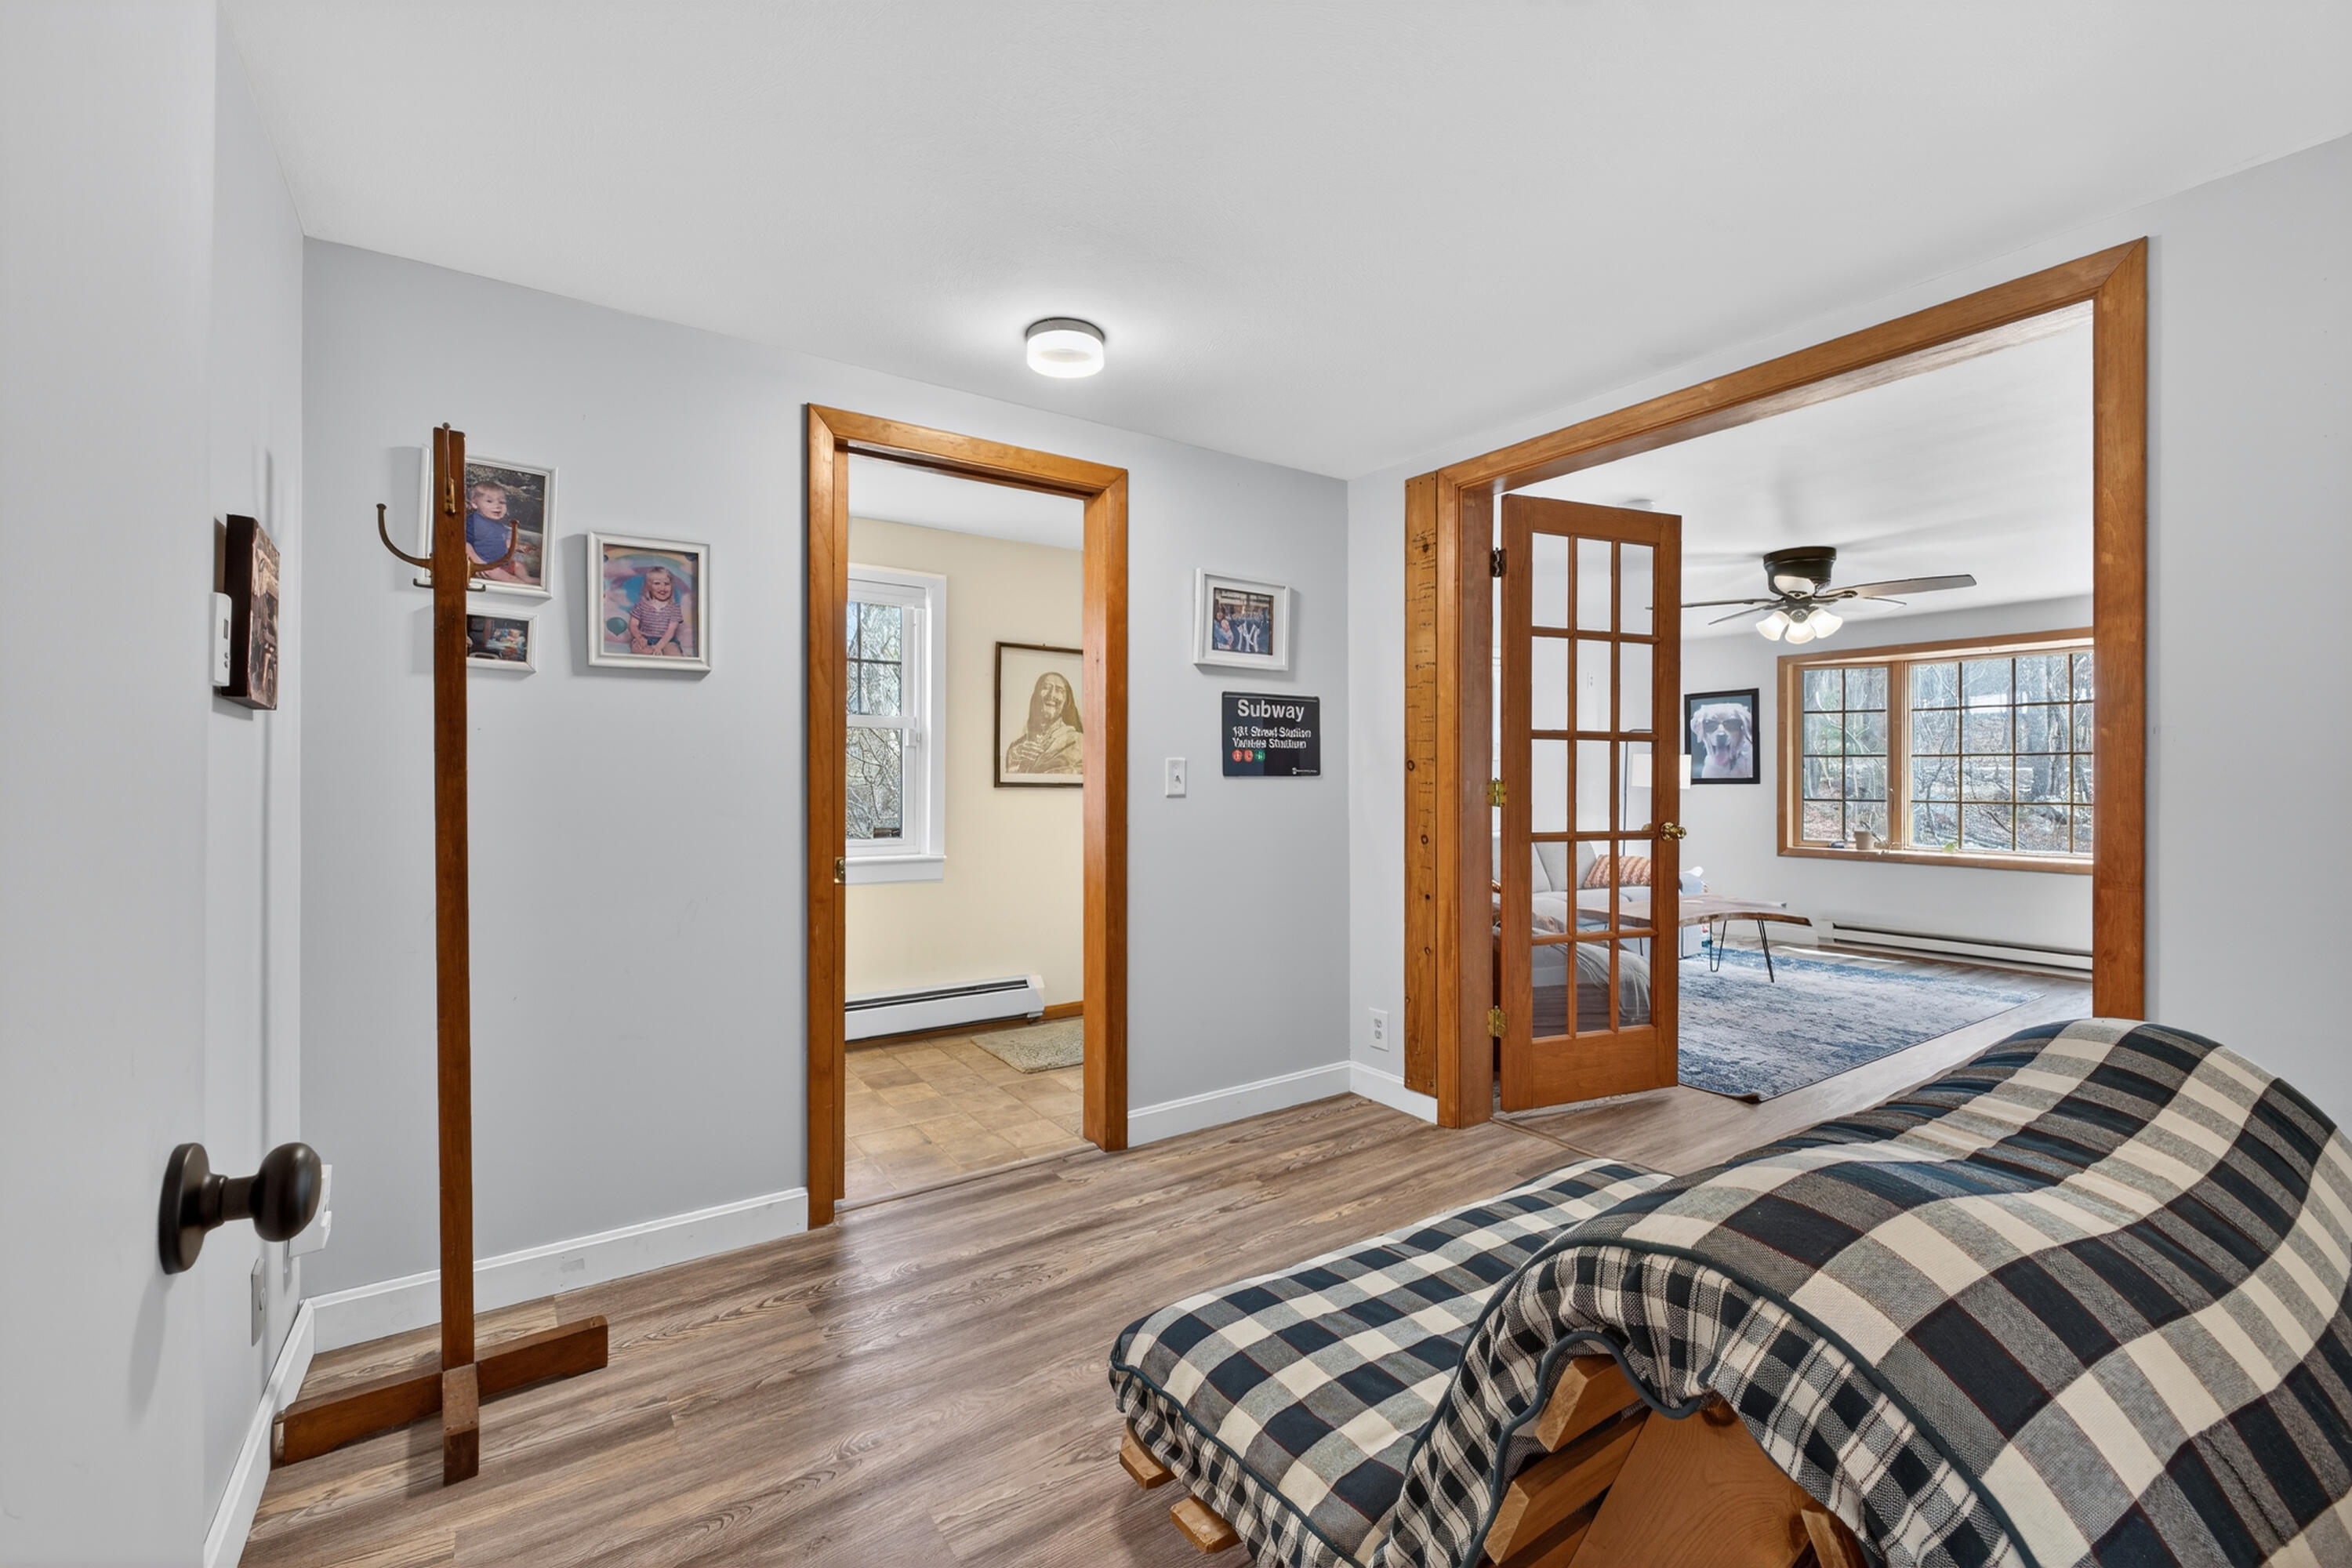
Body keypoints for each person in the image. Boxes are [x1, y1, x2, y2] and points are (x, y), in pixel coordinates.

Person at [1004, 670, 1082, 775]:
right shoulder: (1017, 747)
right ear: (1036, 696)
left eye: (1059, 690)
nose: (1052, 695)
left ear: (1066, 701)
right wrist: (1015, 755)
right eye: (1046, 687)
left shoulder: (1078, 741)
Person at [627, 565, 688, 655]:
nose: (663, 587)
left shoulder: (674, 608)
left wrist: (659, 646)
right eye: (657, 583)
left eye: (667, 584)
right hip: (645, 638)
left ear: (672, 586)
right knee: (641, 650)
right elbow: (633, 624)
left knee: (674, 654)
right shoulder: (641, 605)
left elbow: (670, 631)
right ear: (649, 587)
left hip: (667, 640)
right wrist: (639, 638)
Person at [464, 478, 517, 574]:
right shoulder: (473, 522)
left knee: (519, 566)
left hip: (501, 563)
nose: (497, 506)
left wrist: (514, 544)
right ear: (475, 504)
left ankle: (529, 580)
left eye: (502, 502)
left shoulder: (499, 525)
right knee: (506, 577)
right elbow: (464, 543)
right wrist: (478, 563)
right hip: (486, 566)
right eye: (489, 501)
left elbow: (501, 540)